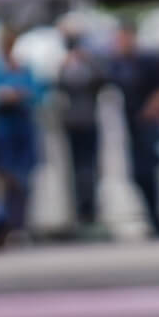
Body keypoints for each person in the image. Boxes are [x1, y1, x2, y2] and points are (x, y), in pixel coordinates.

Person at [108, 21, 159, 237]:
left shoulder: (148, 60)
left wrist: (153, 109)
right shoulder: (116, 64)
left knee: (150, 170)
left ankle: (158, 219)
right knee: (137, 174)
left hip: (148, 122)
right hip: (129, 125)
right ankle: (151, 217)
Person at [0, 28, 44, 239]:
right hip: (3, 128)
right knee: (6, 178)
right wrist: (2, 95)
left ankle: (21, 225)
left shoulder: (24, 67)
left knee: (25, 178)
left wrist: (21, 94)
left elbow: (37, 92)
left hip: (22, 126)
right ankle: (5, 224)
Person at [56, 14, 109, 236]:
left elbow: (102, 81)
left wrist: (87, 60)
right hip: (71, 123)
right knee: (76, 172)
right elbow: (58, 88)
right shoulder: (63, 63)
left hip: (88, 120)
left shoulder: (90, 61)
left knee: (91, 169)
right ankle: (80, 214)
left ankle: (92, 212)